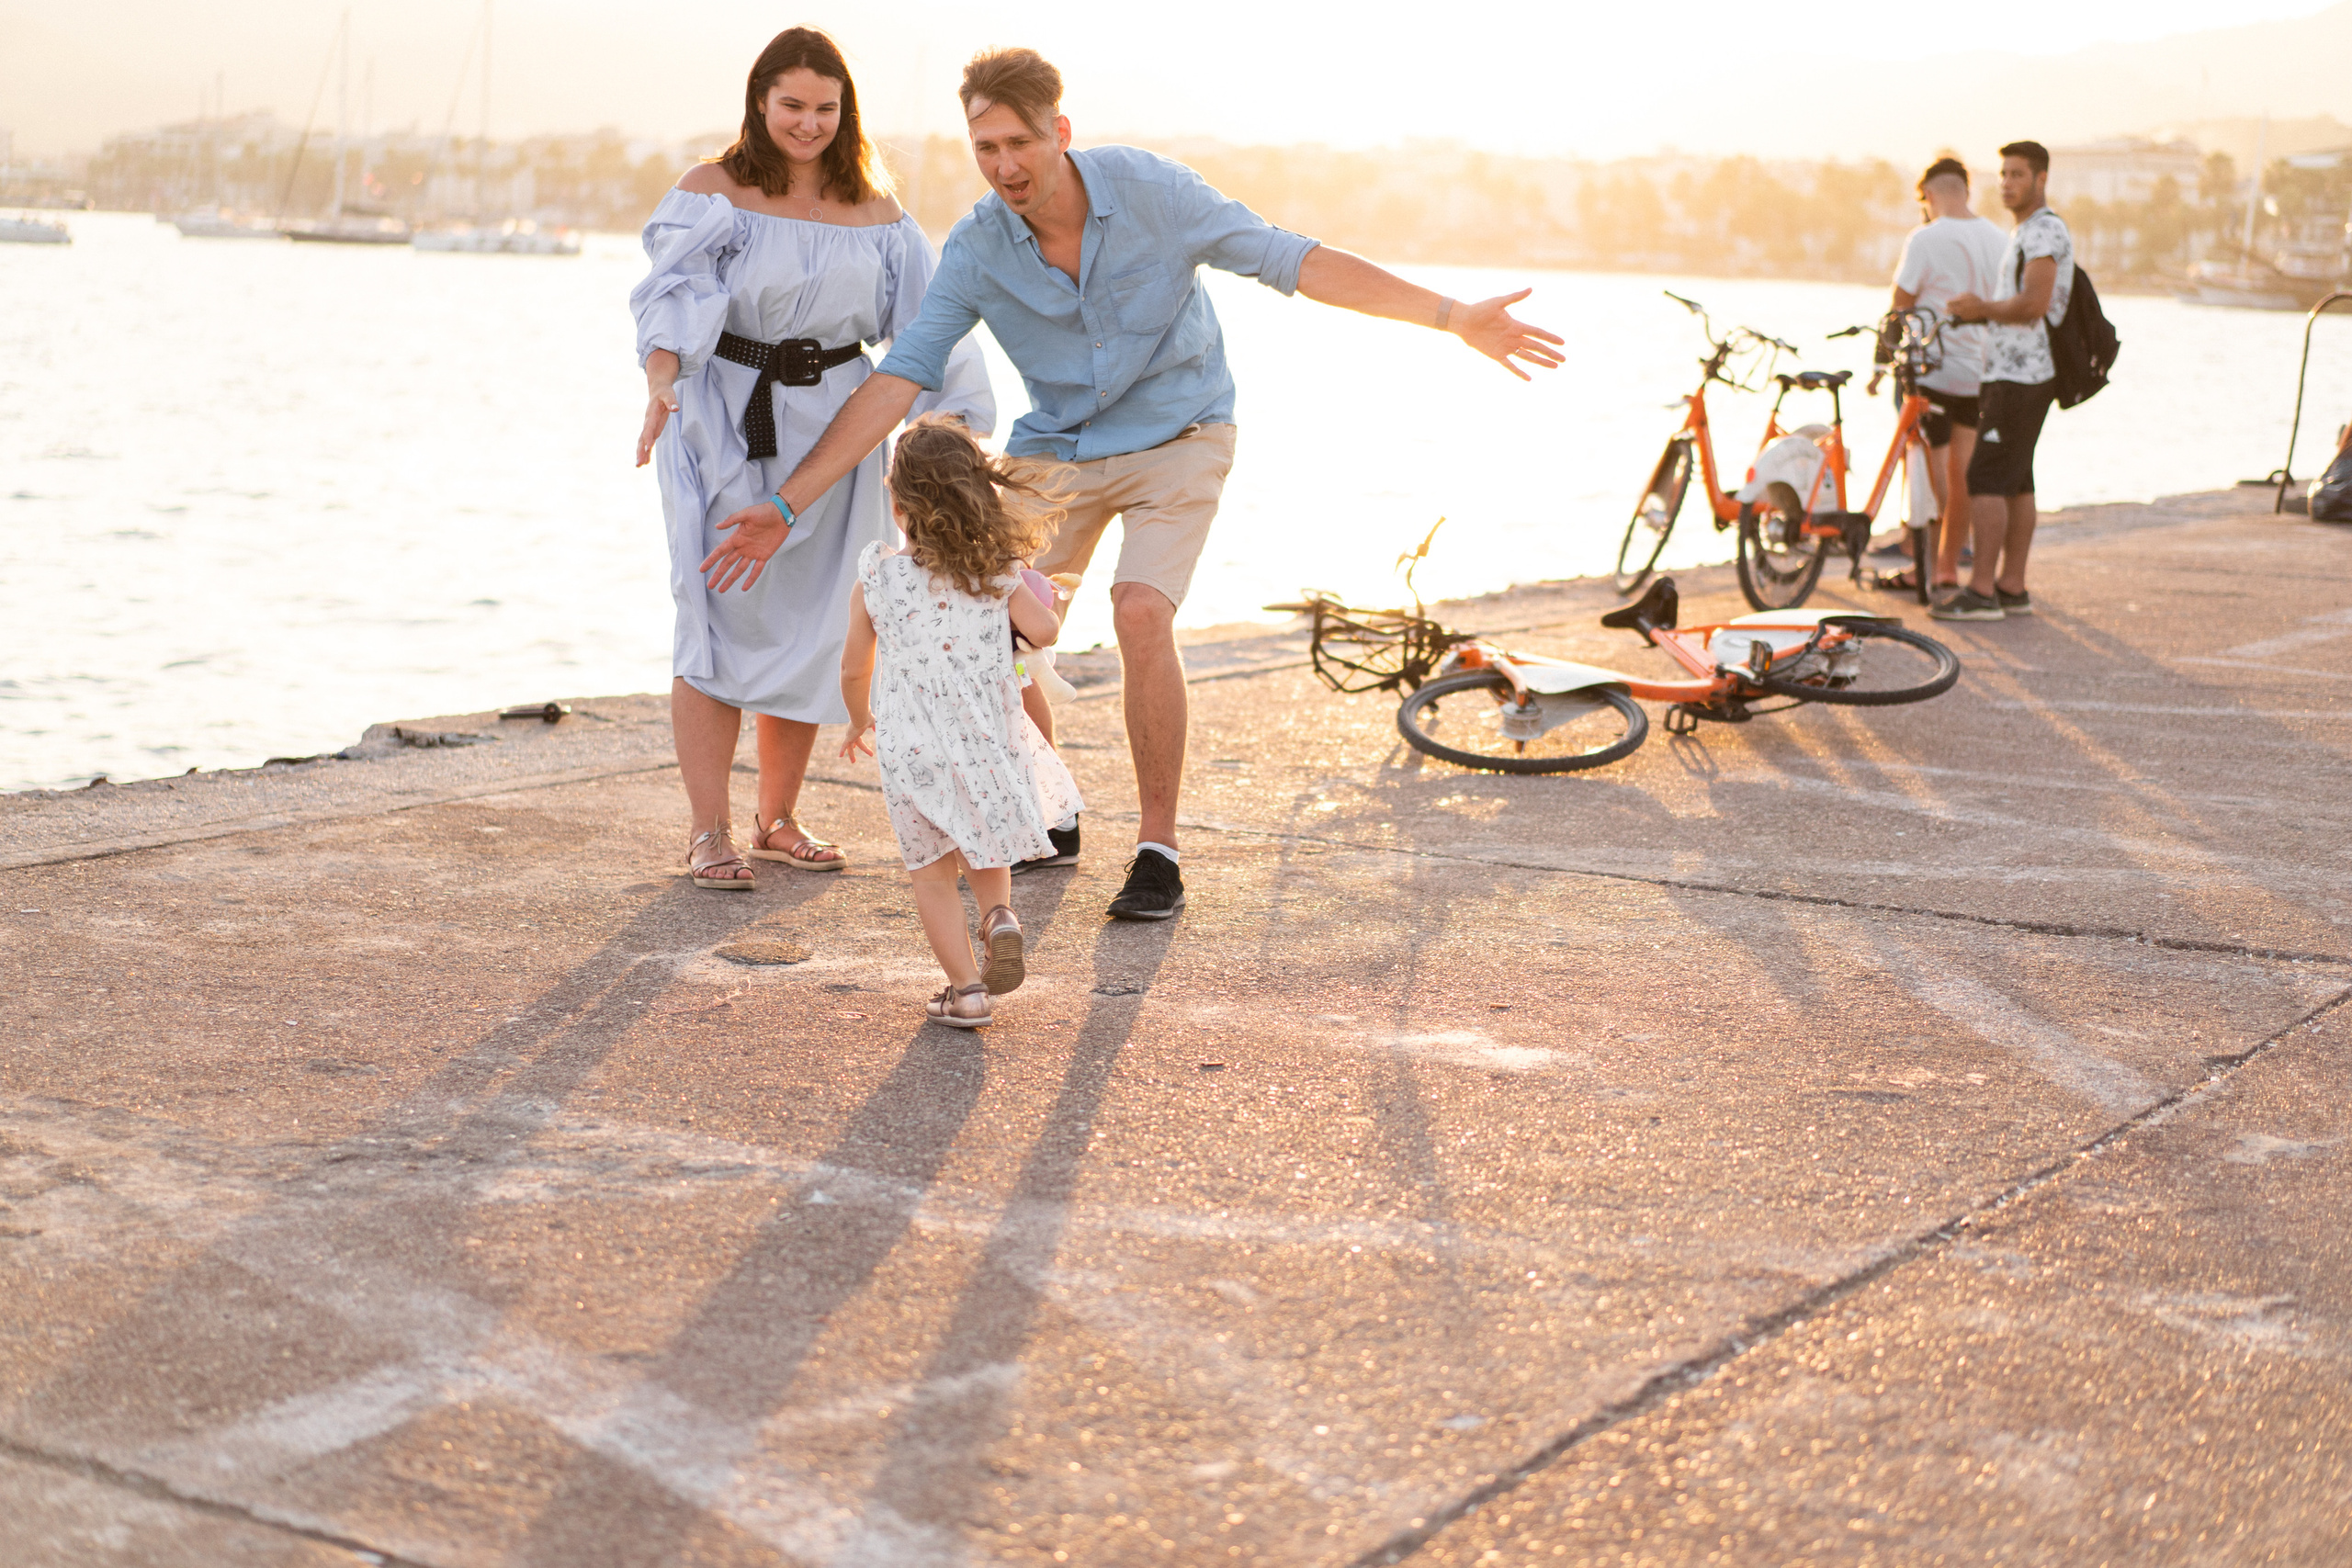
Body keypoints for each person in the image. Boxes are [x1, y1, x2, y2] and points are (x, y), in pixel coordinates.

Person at [700, 46, 1565, 920]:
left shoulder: (1154, 192)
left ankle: (1158, 850)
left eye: (1020, 143)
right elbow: (900, 377)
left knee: (1140, 608)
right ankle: (1048, 801)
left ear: (1061, 133)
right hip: (1061, 445)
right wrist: (783, 504)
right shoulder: (976, 245)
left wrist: (1454, 318)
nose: (1004, 166)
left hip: (1182, 432)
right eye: (984, 146)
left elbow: (1293, 260)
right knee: (978, 607)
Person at [630, 27, 992, 889]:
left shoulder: (879, 211)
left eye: (825, 108)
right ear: (761, 100)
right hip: (723, 416)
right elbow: (670, 301)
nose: (808, 123)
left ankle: (777, 817)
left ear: (845, 110)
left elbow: (929, 325)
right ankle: (708, 829)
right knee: (716, 617)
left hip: (840, 426)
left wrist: (959, 428)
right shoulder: (714, 191)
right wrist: (661, 381)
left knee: (816, 623)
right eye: (792, 104)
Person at [837, 416, 1084, 1029]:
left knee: (931, 875)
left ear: (899, 505)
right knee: (984, 842)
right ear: (979, 494)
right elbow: (1046, 631)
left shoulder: (877, 576)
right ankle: (999, 914)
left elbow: (851, 668)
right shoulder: (994, 573)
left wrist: (856, 720)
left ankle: (966, 991)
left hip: (910, 747)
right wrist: (1034, 601)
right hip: (985, 739)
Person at [1938, 141, 2074, 622]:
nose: (2008, 183)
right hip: (2019, 374)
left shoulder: (2042, 233)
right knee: (2017, 482)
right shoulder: (2028, 232)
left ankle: (1981, 592)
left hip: (2021, 376)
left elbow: (2034, 304)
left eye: (2018, 175)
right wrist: (1979, 316)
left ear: (2041, 180)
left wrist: (1982, 309)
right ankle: (2011, 587)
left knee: (1986, 477)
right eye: (2003, 175)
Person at [1875, 156, 2007, 598]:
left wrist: (1878, 367)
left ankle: (1922, 567)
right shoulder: (1998, 238)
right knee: (1963, 473)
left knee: (1931, 470)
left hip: (1933, 373)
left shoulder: (1925, 238)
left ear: (1928, 195)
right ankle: (1948, 566)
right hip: (1981, 372)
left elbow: (1899, 307)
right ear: (1965, 190)